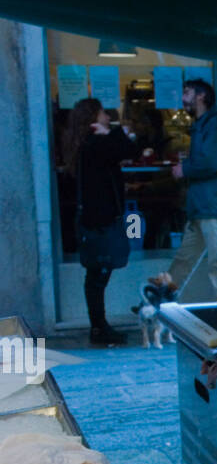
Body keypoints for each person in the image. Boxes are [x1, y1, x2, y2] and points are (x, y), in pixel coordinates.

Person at [149, 78, 217, 302]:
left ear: (201, 96)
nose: (182, 98)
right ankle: (161, 301)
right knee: (184, 259)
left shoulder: (216, 126)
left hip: (213, 206)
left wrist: (184, 169)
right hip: (202, 206)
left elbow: (211, 161)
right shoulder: (204, 126)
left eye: (186, 92)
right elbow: (208, 160)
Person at [64, 97, 136, 345]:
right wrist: (113, 132)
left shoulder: (83, 144)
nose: (108, 117)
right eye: (104, 113)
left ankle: (98, 326)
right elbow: (129, 151)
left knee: (95, 276)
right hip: (101, 220)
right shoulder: (96, 143)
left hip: (92, 219)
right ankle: (99, 327)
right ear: (94, 117)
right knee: (98, 275)